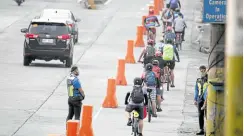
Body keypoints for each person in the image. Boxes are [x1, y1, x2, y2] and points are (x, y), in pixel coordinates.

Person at [194, 66, 208, 135]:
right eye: (201, 71)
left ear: (206, 71)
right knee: (200, 115)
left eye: (203, 71)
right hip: (200, 98)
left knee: (208, 114)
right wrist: (195, 99)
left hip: (207, 99)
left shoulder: (208, 79)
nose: (202, 72)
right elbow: (196, 90)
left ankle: (208, 129)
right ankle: (201, 129)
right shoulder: (198, 80)